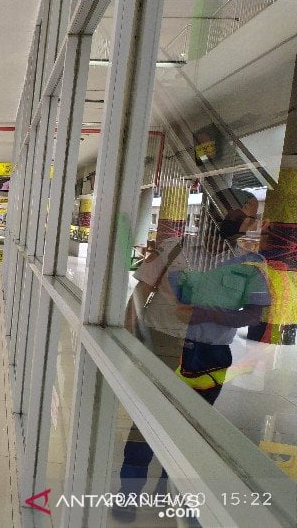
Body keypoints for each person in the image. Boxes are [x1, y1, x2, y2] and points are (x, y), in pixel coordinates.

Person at [115, 187, 270, 521]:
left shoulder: (251, 265)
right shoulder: (175, 249)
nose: (251, 222)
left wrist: (211, 314)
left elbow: (254, 314)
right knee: (147, 419)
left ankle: (169, 489)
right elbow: (140, 293)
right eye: (249, 213)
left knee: (193, 425)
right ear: (224, 212)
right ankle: (128, 493)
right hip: (163, 342)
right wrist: (127, 341)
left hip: (211, 354)